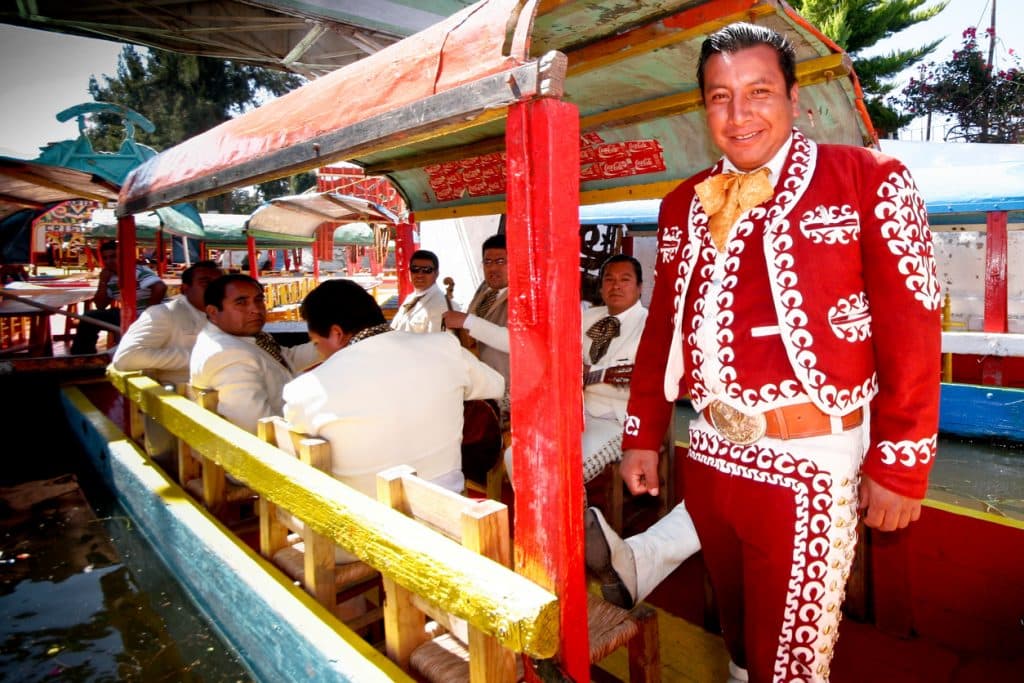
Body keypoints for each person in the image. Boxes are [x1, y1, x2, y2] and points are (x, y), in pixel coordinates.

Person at [586, 23, 940, 683]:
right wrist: (643, 432)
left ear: (794, 97)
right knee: (741, 646)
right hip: (713, 454)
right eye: (720, 97)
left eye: (758, 92)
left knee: (792, 665)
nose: (739, 113)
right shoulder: (681, 203)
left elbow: (912, 323)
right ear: (704, 108)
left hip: (810, 461)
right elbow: (664, 322)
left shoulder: (869, 177)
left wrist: (901, 462)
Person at [283, 278, 505, 500]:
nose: (319, 352)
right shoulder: (444, 347)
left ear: (337, 334)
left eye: (316, 343)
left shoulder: (305, 390)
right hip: (446, 514)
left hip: (361, 523)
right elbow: (496, 385)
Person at [190, 274, 320, 434]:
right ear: (213, 312)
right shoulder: (228, 355)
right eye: (241, 303)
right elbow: (256, 426)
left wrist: (336, 342)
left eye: (258, 300)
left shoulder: (242, 337)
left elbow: (287, 359)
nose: (256, 310)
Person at [112, 260, 223, 385]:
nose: (214, 289)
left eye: (219, 285)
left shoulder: (226, 315)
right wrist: (199, 356)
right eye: (206, 283)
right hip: (183, 396)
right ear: (185, 289)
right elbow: (127, 358)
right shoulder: (163, 314)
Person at [442, 234, 510, 411]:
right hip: (479, 388)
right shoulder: (484, 289)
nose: (493, 268)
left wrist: (467, 321)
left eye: (501, 261)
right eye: (487, 262)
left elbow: (516, 341)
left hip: (507, 391)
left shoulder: (526, 295)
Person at [71, 240, 168, 355]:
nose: (109, 261)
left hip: (153, 315)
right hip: (129, 314)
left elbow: (160, 287)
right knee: (90, 318)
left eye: (113, 257)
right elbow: (101, 305)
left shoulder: (136, 270)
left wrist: (149, 313)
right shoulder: (109, 277)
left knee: (95, 316)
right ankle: (82, 357)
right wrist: (102, 281)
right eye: (105, 258)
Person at [390, 249, 455, 333]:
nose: (420, 274)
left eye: (427, 270)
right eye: (415, 269)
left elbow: (438, 343)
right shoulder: (410, 298)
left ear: (436, 274)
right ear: (409, 272)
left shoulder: (442, 305)